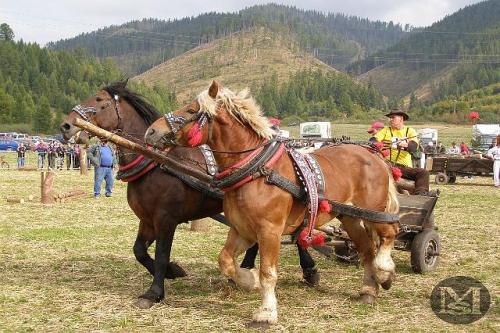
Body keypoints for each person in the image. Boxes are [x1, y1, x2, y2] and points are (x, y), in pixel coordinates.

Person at [374, 108, 431, 195]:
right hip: (388, 165)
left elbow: (414, 146)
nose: (391, 119)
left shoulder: (410, 131)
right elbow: (374, 139)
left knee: (424, 173)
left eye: (393, 117)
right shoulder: (386, 130)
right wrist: (377, 143)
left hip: (404, 167)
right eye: (390, 118)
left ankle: (420, 196)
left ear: (401, 119)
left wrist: (406, 144)